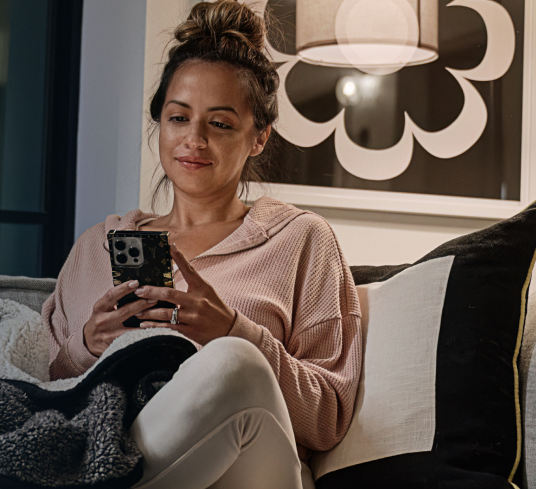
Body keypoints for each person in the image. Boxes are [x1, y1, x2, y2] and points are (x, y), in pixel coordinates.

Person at [41, 1, 363, 488]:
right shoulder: (95, 250)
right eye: (178, 118)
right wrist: (88, 346)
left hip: (254, 469)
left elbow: (329, 418)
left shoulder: (302, 241)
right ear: (160, 123)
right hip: (114, 452)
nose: (193, 139)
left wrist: (233, 332)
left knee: (234, 363)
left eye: (220, 123)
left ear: (258, 137)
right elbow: (45, 394)